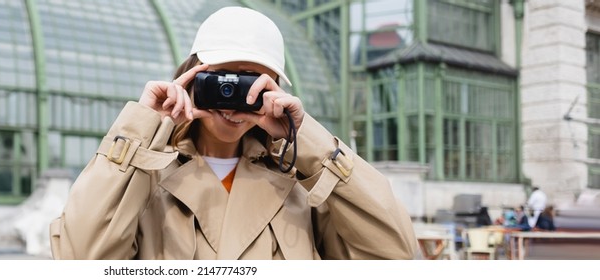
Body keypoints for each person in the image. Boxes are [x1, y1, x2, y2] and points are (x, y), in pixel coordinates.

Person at [49, 7, 416, 260]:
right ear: (193, 76)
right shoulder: (143, 177)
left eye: (252, 83)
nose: (235, 98)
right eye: (223, 78)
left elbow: (393, 254)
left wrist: (304, 139)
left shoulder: (303, 185)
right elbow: (80, 258)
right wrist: (143, 126)